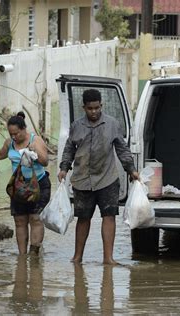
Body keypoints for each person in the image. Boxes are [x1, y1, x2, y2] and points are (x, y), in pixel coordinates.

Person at [58, 89, 139, 265]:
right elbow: (69, 149)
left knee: (109, 216)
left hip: (107, 178)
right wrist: (64, 168)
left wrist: (131, 170)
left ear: (101, 105)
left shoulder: (112, 124)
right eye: (90, 108)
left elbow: (122, 149)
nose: (94, 112)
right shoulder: (76, 126)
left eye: (97, 108)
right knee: (83, 217)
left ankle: (108, 258)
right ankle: (77, 257)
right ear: (84, 108)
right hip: (82, 180)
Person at [0, 112, 50, 255]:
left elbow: (45, 162)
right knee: (20, 221)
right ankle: (22, 257)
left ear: (24, 129)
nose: (14, 137)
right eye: (11, 134)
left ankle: (34, 254)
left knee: (35, 219)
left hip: (39, 185)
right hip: (18, 187)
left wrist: (35, 152)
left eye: (16, 134)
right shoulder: (9, 143)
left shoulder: (35, 140)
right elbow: (0, 155)